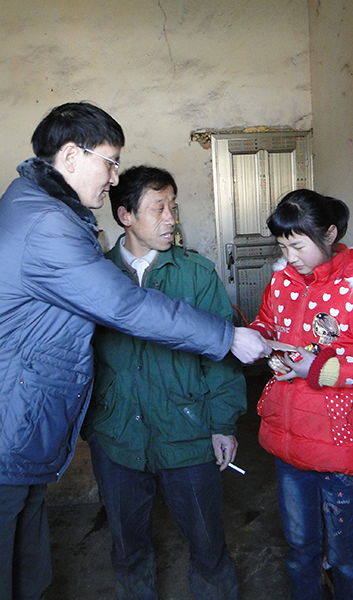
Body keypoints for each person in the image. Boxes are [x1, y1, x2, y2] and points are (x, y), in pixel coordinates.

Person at [0, 103, 270, 600]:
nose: (114, 177)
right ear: (71, 156)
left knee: (26, 578)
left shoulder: (43, 211)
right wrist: (228, 336)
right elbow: (122, 305)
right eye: (110, 161)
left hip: (9, 437)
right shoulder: (45, 223)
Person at [83, 165, 246, 600]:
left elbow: (221, 354)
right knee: (127, 548)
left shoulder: (196, 274)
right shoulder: (95, 277)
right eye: (159, 208)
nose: (171, 218)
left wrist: (222, 423)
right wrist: (92, 426)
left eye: (173, 207)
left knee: (208, 544)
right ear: (125, 216)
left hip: (187, 432)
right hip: (117, 435)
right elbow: (79, 355)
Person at [248, 190, 353, 600]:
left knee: (343, 555)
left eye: (298, 246)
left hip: (341, 447)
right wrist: (260, 340)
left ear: (330, 234)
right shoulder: (283, 281)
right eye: (282, 247)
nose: (290, 258)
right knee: (300, 550)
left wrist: (322, 368)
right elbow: (267, 322)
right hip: (290, 441)